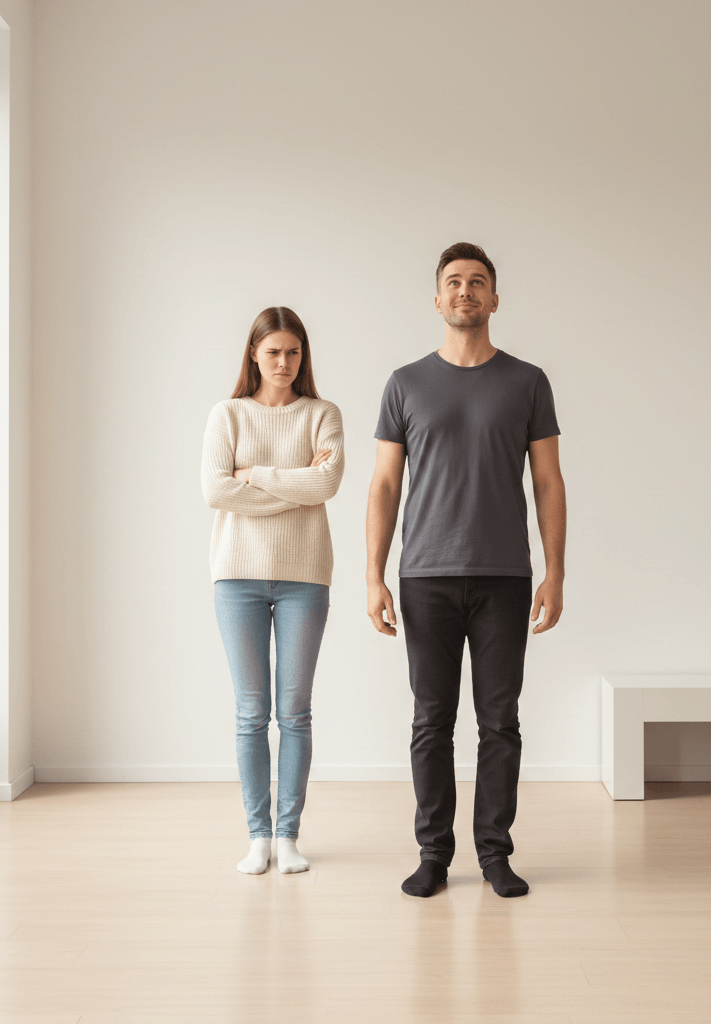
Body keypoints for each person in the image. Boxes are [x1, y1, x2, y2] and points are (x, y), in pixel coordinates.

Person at [366, 243, 566, 898]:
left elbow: (547, 480)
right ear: (436, 299)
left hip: (505, 574)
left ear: (494, 299)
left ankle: (495, 854)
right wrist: (373, 575)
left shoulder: (527, 382)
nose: (465, 292)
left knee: (499, 720)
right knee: (431, 721)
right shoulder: (405, 383)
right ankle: (432, 855)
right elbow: (385, 486)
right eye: (453, 282)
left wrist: (554, 572)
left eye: (477, 282)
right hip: (424, 575)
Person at [202, 306, 344, 875]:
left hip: (305, 576)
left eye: (293, 352)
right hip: (236, 576)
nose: (283, 362)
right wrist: (294, 484)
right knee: (250, 712)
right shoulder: (227, 415)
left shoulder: (322, 413)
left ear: (302, 356)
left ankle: (289, 834)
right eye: (272, 352)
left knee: (295, 711)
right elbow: (215, 491)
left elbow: (328, 482)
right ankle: (257, 835)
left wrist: (254, 475)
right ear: (253, 356)